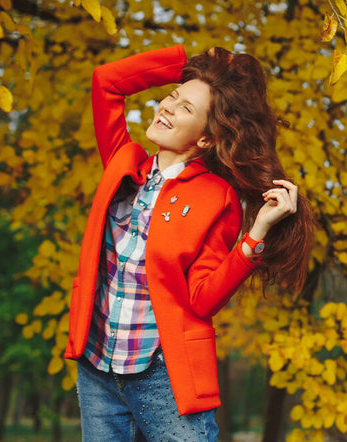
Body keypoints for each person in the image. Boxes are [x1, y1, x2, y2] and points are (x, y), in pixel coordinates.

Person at [63, 44, 316, 441]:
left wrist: (256, 235)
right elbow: (106, 82)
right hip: (97, 368)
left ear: (206, 140)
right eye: (171, 97)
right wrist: (186, 63)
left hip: (163, 375)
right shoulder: (123, 161)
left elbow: (203, 299)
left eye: (185, 109)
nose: (167, 107)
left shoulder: (217, 196)